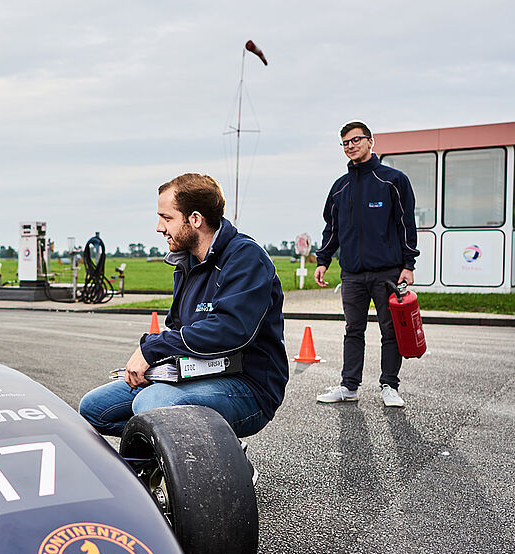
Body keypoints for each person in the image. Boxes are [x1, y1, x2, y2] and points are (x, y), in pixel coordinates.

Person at [78, 173, 288, 438]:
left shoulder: (246, 258)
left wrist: (150, 349)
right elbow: (176, 328)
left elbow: (231, 330)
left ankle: (205, 464)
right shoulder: (186, 263)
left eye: (167, 218)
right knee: (94, 409)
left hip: (247, 386)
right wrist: (157, 366)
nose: (159, 227)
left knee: (153, 404)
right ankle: (210, 450)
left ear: (195, 219)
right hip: (193, 375)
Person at [314, 121, 419, 407]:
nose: (351, 146)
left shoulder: (393, 181)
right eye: (346, 142)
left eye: (356, 140)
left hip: (388, 271)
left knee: (390, 331)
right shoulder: (339, 188)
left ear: (371, 142)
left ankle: (389, 386)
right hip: (352, 274)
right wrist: (323, 260)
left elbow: (406, 226)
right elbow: (331, 229)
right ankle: (349, 386)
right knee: (353, 330)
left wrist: (408, 264)